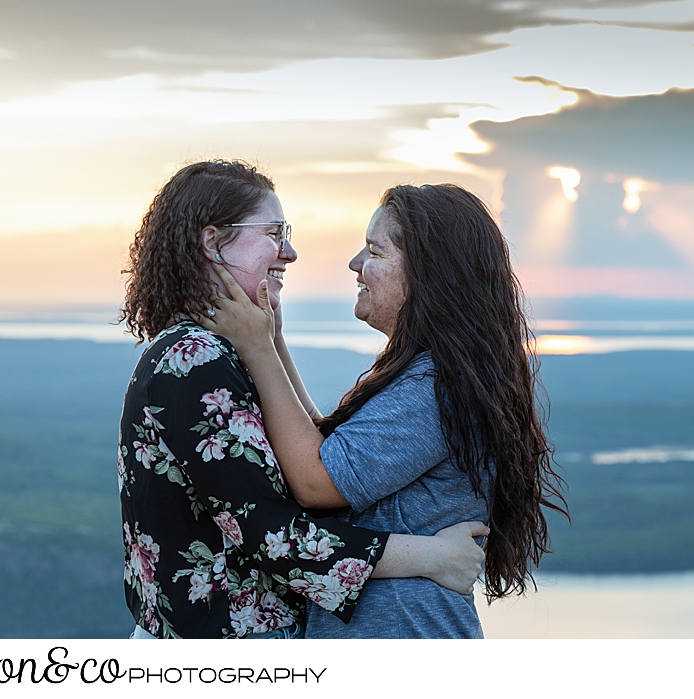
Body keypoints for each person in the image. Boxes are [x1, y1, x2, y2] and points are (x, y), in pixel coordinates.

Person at [117, 161, 488, 639]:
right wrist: (433, 556)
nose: (289, 252)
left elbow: (314, 461)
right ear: (213, 243)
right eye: (274, 233)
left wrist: (268, 342)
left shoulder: (219, 353)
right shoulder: (195, 359)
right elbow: (275, 533)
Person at [203, 183, 568, 638]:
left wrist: (257, 350)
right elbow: (329, 451)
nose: (355, 264)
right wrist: (273, 340)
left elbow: (317, 482)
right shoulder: (434, 374)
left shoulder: (435, 386)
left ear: (427, 275)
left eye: (374, 252)